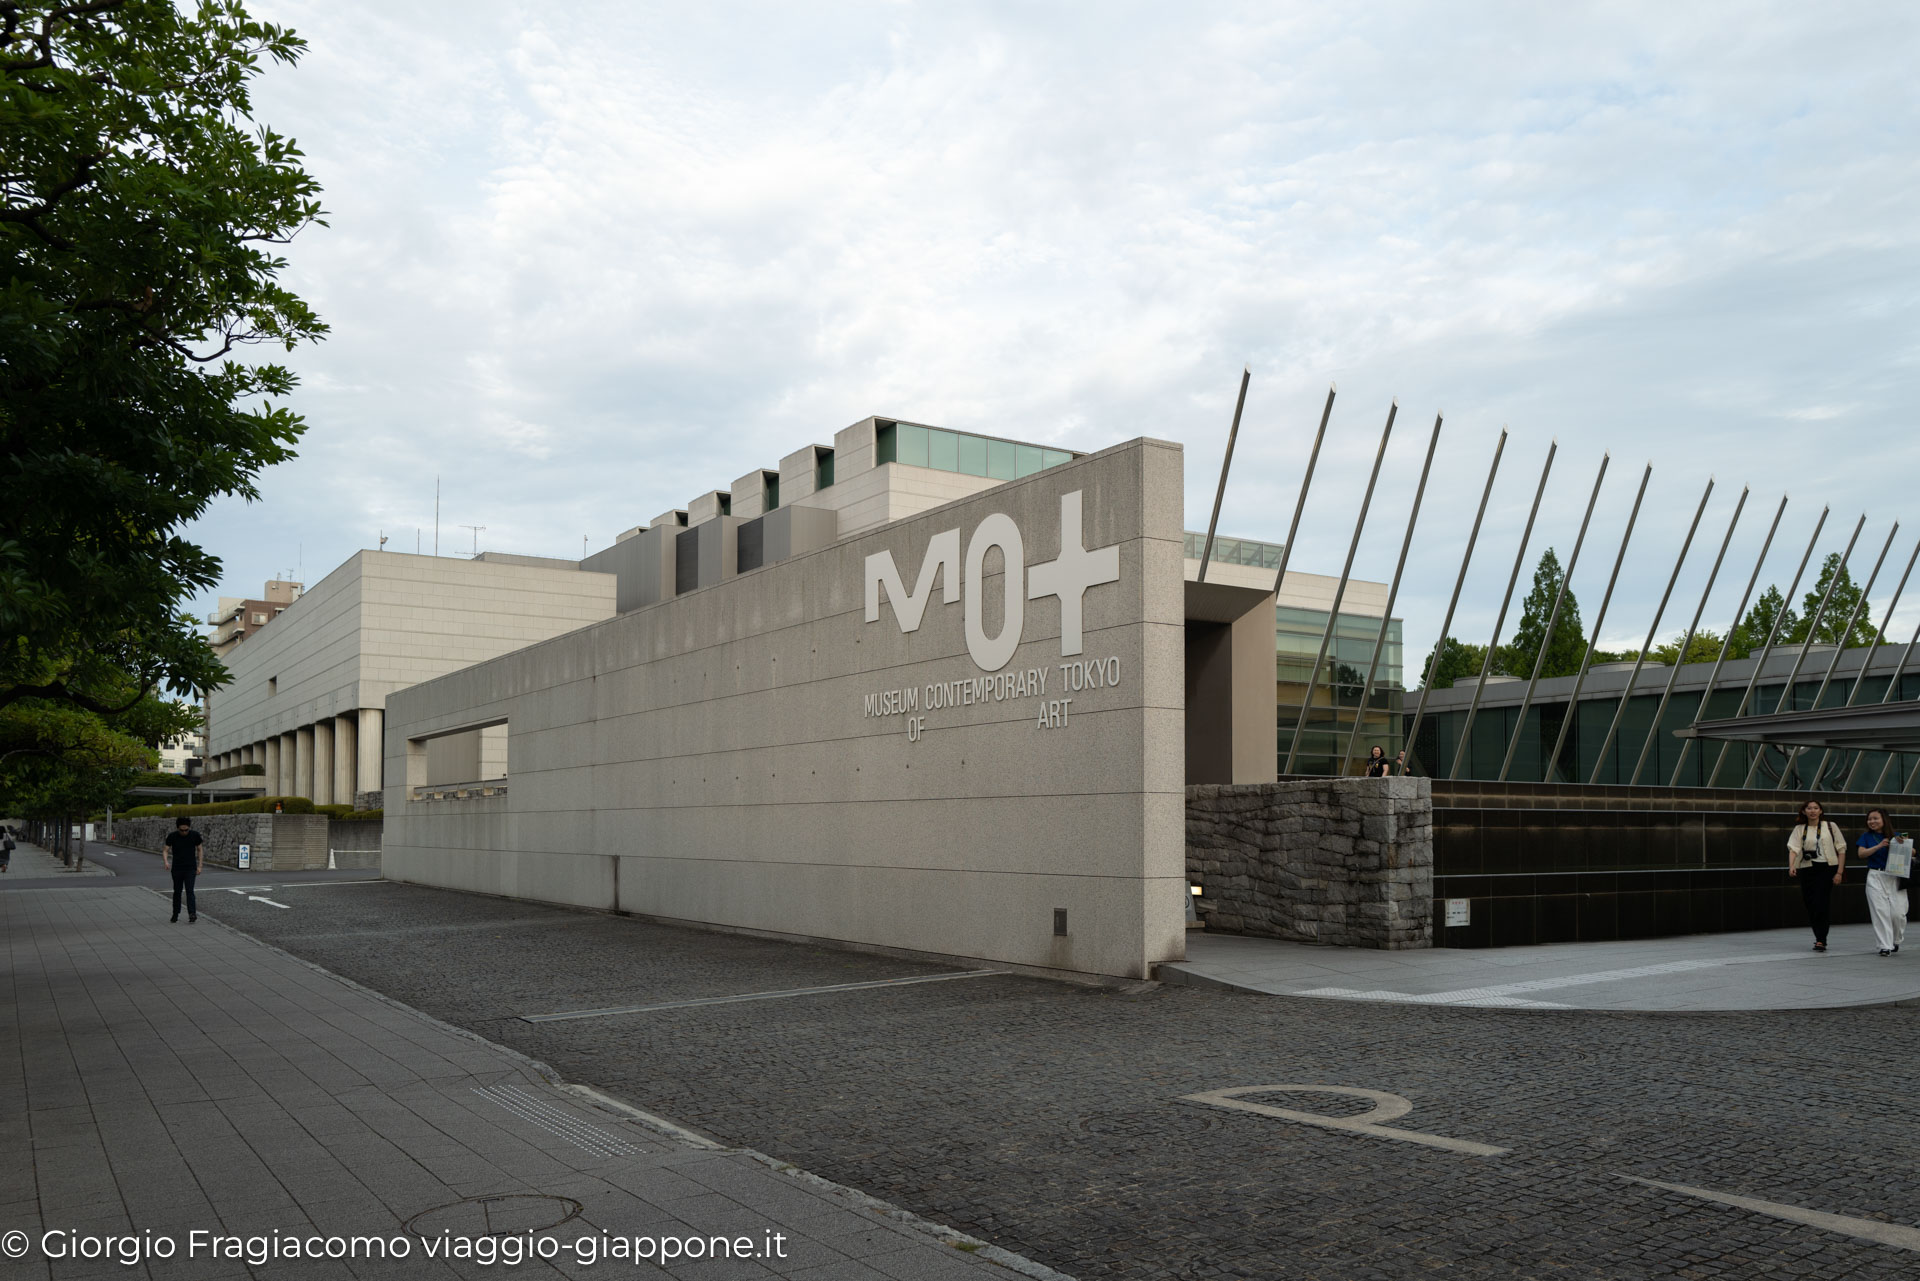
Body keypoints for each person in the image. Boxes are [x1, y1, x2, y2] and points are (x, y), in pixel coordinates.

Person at [1786, 799, 1846, 952]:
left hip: (1827, 868)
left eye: (1815, 808)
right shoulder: (1800, 829)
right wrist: (1792, 865)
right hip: (1808, 868)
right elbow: (1793, 848)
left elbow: (1841, 849)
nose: (1812, 811)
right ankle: (1818, 935)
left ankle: (1821, 939)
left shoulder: (1830, 826)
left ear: (1821, 811)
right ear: (1804, 811)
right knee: (1810, 903)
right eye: (1809, 808)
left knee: (1821, 902)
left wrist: (1839, 872)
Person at [1857, 807, 1906, 957]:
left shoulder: (1897, 836)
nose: (1872, 821)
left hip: (1895, 876)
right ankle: (1884, 945)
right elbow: (1861, 853)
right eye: (1869, 819)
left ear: (1884, 819)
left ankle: (1896, 939)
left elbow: (1913, 852)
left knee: (1898, 913)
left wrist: (1901, 845)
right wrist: (1879, 846)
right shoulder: (1866, 836)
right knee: (1880, 912)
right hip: (1875, 876)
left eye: (1875, 818)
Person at [162, 817, 204, 923]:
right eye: (182, 830)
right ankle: (175, 913)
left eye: (186, 830)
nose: (184, 832)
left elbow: (200, 849)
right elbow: (165, 850)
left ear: (189, 828)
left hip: (190, 868)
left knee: (190, 891)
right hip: (177, 868)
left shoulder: (195, 835)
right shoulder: (172, 836)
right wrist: (166, 861)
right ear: (177, 828)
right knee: (177, 891)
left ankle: (192, 913)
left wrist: (200, 866)